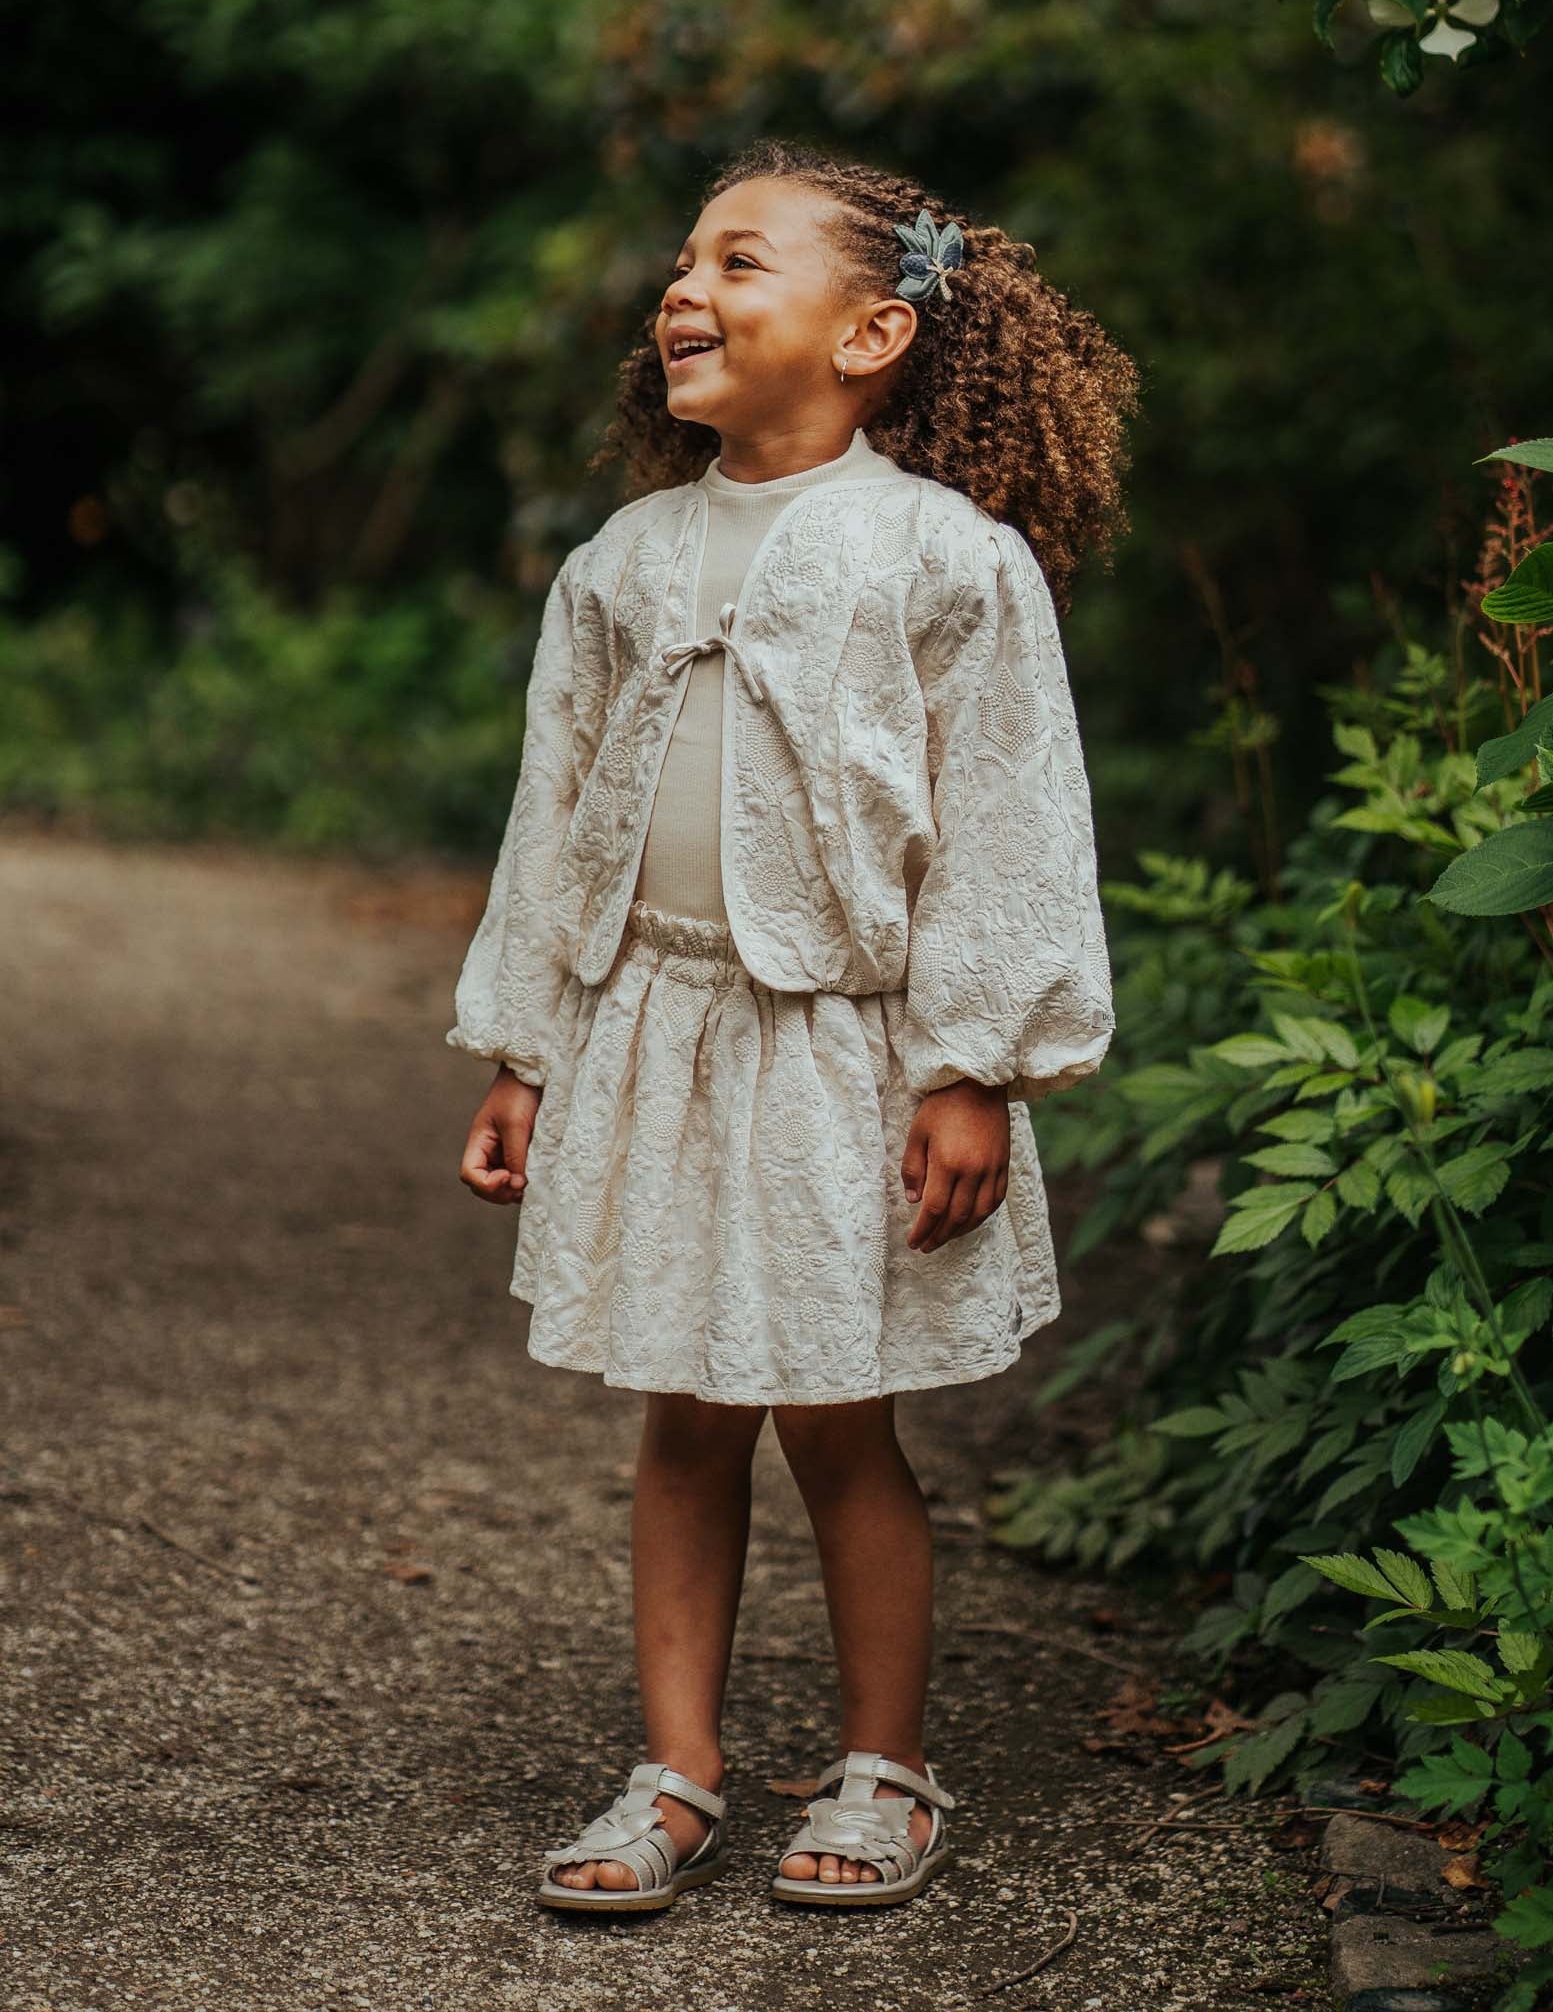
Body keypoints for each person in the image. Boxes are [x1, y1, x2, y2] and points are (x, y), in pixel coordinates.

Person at [453, 136, 1139, 1916]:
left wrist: (972, 1061)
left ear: (871, 334)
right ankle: (675, 1775)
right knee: (682, 1416)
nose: (686, 286)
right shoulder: (621, 557)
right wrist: (526, 1043)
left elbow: (1003, 815)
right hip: (656, 1031)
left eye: (741, 261)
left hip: (846, 1048)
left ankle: (882, 1768)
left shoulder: (944, 558)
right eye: (683, 261)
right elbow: (558, 808)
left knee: (841, 1419)